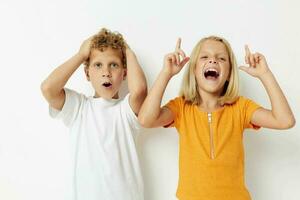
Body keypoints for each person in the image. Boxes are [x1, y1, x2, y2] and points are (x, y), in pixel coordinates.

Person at [138, 36, 295, 200]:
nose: (213, 61)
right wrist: (166, 73)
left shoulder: (240, 107)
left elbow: (285, 121)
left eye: (221, 58)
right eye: (205, 57)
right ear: (193, 70)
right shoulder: (181, 108)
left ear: (229, 74)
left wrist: (265, 74)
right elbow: (145, 120)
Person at [41, 28, 147, 200]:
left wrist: (126, 50)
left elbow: (140, 90)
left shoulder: (126, 110)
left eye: (114, 65)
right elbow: (48, 88)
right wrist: (81, 54)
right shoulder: (79, 108)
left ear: (124, 73)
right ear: (87, 73)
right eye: (98, 65)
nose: (106, 72)